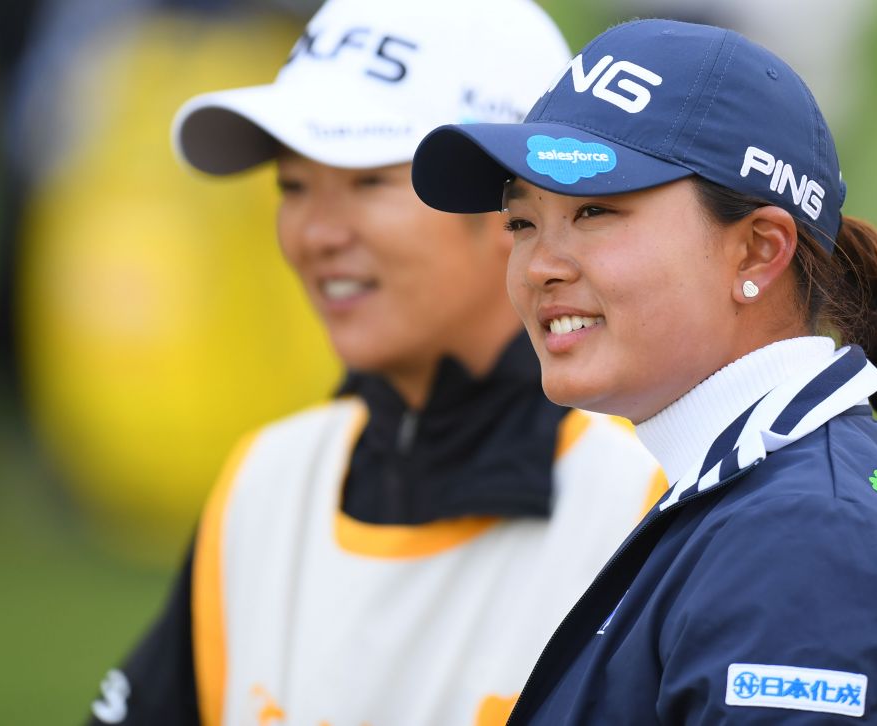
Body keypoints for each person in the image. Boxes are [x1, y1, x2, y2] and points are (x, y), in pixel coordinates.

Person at [86, 2, 667, 725]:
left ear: (517, 208)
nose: (318, 233)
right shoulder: (266, 483)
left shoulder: (656, 500)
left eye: (369, 182)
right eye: (292, 187)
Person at [411, 19, 877, 725]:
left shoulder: (803, 543)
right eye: (522, 224)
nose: (539, 268)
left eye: (594, 211)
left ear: (757, 253)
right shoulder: (763, 500)